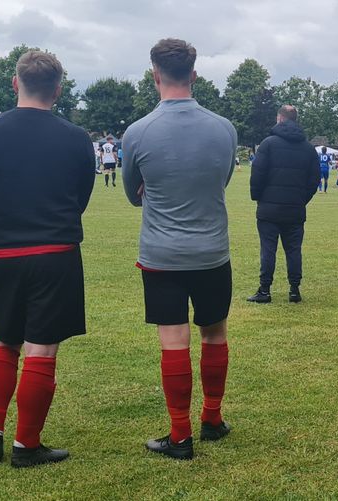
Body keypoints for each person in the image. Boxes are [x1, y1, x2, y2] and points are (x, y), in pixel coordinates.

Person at [0, 49, 94, 468]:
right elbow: (81, 198)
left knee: (3, 340)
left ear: (14, 82)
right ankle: (26, 445)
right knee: (42, 349)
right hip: (55, 252)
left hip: (2, 250)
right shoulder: (77, 138)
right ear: (58, 90)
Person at [122, 39, 238, 461]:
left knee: (173, 340)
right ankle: (211, 418)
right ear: (194, 74)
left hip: (162, 254)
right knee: (214, 333)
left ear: (154, 75)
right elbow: (221, 180)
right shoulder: (224, 128)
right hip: (211, 251)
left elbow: (132, 195)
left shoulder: (137, 132)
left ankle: (180, 435)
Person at [248, 106, 318, 304]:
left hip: (269, 208)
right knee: (294, 250)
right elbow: (314, 180)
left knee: (268, 249)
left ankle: (264, 290)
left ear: (279, 118)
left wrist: (258, 197)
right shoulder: (308, 148)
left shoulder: (268, 144)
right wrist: (302, 199)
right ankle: (294, 290)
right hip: (295, 208)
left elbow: (257, 175)